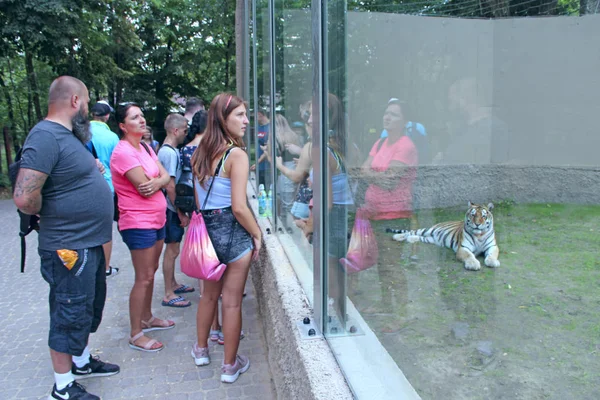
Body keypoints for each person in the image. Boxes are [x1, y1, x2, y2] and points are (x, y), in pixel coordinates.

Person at [13, 76, 119, 400]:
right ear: (75, 101)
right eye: (86, 102)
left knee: (86, 307)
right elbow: (23, 196)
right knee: (68, 311)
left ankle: (82, 362)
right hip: (68, 245)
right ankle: (62, 389)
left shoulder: (67, 136)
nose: (87, 108)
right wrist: (55, 216)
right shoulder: (45, 136)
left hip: (88, 241)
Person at [190, 93, 261, 384]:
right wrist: (257, 234)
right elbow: (239, 207)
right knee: (231, 303)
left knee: (208, 296)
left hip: (207, 236)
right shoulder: (237, 155)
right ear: (223, 118)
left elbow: (199, 202)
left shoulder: (199, 153)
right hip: (233, 234)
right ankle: (230, 366)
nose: (246, 121)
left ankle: (201, 350)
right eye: (240, 115)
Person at [110, 102, 174, 353]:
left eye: (142, 116)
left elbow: (164, 177)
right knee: (144, 277)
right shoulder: (123, 152)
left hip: (157, 219)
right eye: (135, 117)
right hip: (137, 222)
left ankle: (147, 317)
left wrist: (159, 181)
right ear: (123, 126)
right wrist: (160, 181)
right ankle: (136, 333)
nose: (142, 120)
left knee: (152, 271)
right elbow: (143, 186)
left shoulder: (146, 147)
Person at [360, 99, 418, 220]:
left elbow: (390, 181)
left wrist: (370, 175)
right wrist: (379, 176)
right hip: (371, 211)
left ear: (405, 122)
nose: (387, 117)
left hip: (394, 213)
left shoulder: (405, 145)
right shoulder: (380, 142)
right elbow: (362, 171)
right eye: (386, 113)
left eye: (394, 115)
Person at [158, 114, 192, 308]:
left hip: (170, 208)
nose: (187, 134)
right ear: (175, 130)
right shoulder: (169, 153)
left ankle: (173, 284)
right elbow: (170, 185)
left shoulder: (167, 151)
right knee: (172, 250)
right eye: (185, 130)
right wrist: (180, 212)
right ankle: (169, 294)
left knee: (173, 248)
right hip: (170, 209)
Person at [87, 100, 120, 278]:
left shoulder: (81, 132)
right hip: (107, 186)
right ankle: (105, 267)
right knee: (105, 229)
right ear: (107, 116)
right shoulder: (112, 137)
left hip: (85, 187)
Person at [263, 114, 302, 221]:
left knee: (287, 205)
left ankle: (289, 230)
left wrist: (266, 153)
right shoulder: (293, 135)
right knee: (291, 202)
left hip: (285, 170)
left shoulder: (275, 137)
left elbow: (273, 161)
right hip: (295, 168)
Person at [251, 108, 271, 189]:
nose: (254, 119)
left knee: (267, 188)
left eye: (254, 117)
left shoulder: (270, 127)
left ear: (260, 114)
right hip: (259, 165)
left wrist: (258, 162)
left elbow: (269, 149)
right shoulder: (258, 127)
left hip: (267, 165)